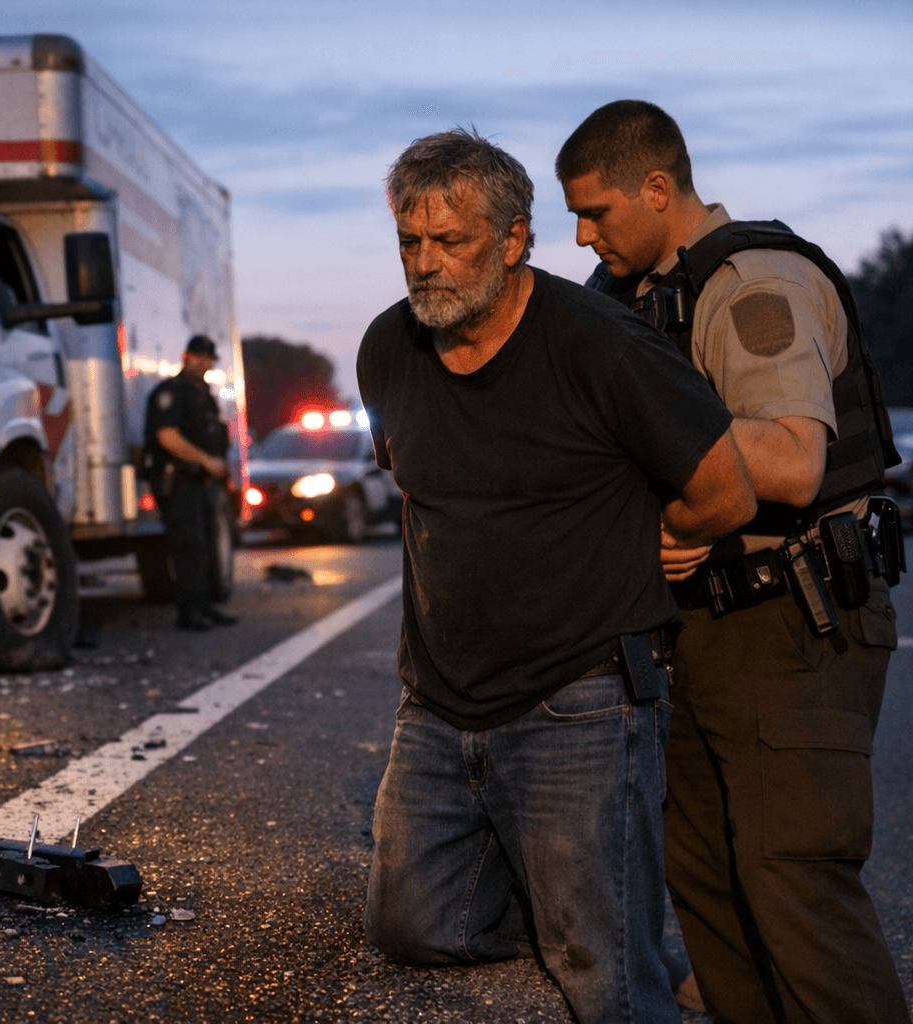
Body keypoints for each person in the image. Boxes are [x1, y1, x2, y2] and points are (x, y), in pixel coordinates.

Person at [358, 128, 756, 1024]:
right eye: (409, 242)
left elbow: (724, 493)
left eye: (450, 242)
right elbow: (414, 478)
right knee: (411, 925)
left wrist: (667, 541)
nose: (425, 265)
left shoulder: (601, 344)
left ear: (511, 240)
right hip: (437, 701)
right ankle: (568, 890)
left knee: (609, 986)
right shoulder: (388, 347)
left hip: (580, 699)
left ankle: (606, 919)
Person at [558, 99, 910, 1024]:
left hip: (795, 620)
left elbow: (793, 461)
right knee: (708, 885)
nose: (585, 237)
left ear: (659, 187)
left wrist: (662, 442)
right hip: (701, 628)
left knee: (793, 884)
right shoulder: (630, 299)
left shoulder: (752, 282)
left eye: (597, 212)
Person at [145, 334, 237, 630]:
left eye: (209, 358)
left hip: (203, 481)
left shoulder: (203, 394)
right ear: (186, 357)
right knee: (189, 544)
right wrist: (204, 460)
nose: (204, 363)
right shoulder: (172, 392)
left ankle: (205, 606)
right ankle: (188, 611)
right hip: (179, 480)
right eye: (199, 357)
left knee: (208, 544)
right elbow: (167, 436)